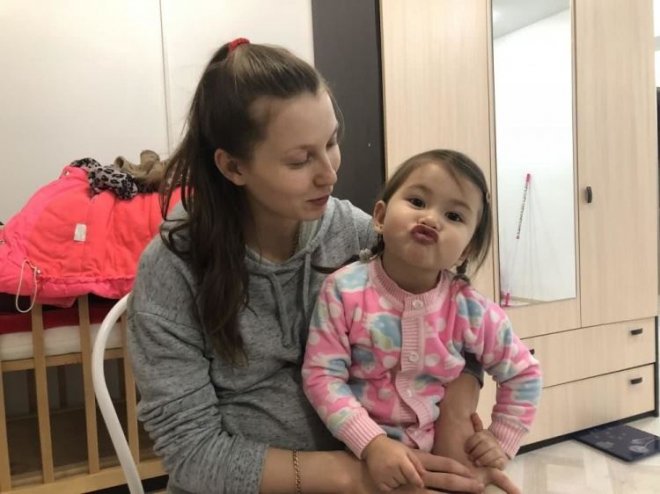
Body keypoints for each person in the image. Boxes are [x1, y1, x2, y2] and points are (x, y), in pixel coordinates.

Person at [127, 37, 510, 494]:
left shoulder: (356, 234)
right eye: (300, 159)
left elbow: (457, 318)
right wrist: (357, 474)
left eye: (331, 142)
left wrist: (453, 420)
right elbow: (193, 455)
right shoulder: (173, 270)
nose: (329, 172)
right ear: (233, 167)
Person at [302, 150, 542, 492]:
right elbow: (322, 376)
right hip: (358, 456)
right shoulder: (343, 290)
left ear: (465, 250)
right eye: (417, 201)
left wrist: (501, 439)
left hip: (440, 456)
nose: (431, 218)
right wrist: (371, 443)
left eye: (454, 215)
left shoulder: (470, 309)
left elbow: (524, 372)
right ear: (380, 216)